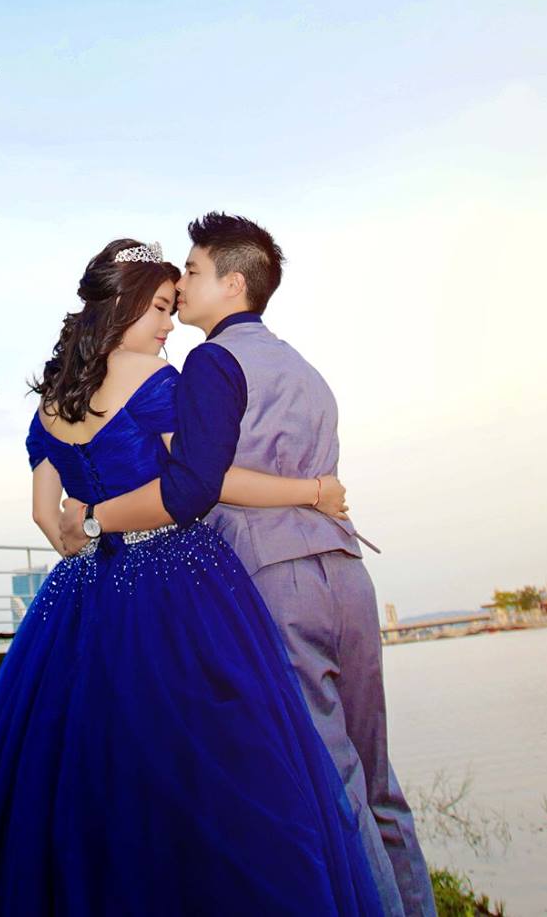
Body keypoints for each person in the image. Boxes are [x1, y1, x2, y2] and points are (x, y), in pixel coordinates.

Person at [0, 238, 386, 916]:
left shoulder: (53, 399)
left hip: (83, 593)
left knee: (88, 772)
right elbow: (201, 483)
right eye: (160, 306)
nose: (169, 321)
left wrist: (85, 531)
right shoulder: (160, 377)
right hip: (178, 581)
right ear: (127, 304)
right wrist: (310, 491)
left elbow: (48, 517)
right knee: (218, 773)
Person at [64, 213, 436, 917]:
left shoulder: (209, 361)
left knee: (330, 778)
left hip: (274, 576)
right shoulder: (305, 367)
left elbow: (197, 483)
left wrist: (92, 514)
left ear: (234, 283)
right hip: (346, 568)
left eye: (195, 271)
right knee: (378, 777)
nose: (183, 281)